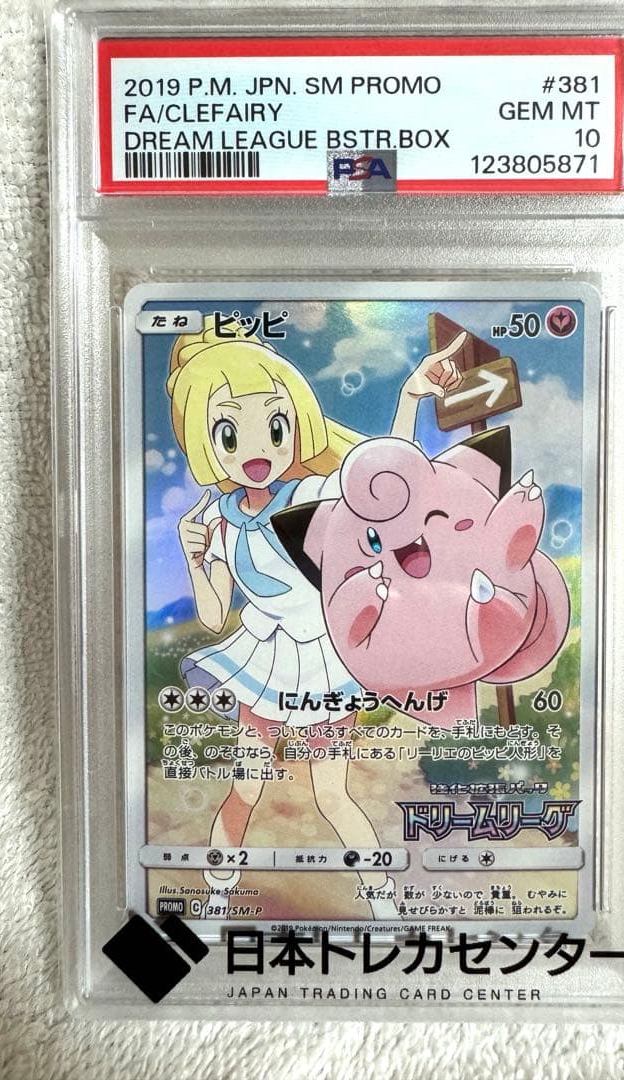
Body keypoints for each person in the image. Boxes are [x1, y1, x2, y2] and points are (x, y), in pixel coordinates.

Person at [167, 315, 464, 918]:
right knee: (246, 785)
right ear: (205, 441)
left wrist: (409, 398)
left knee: (331, 792)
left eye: (274, 426)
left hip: (324, 662)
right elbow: (215, 613)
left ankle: (382, 903)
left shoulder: (310, 495)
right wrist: (195, 557)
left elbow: (386, 485)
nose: (256, 451)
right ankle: (215, 899)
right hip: (266, 661)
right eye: (229, 433)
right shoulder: (218, 517)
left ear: (296, 424)